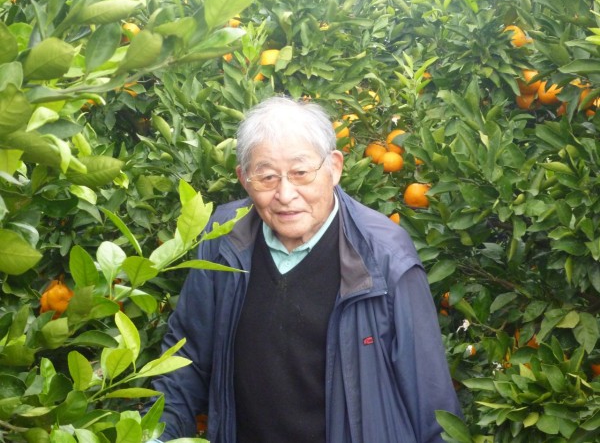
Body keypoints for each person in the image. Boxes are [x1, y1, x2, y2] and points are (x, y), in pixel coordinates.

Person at [149, 96, 462, 442]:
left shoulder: (385, 257)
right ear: (244, 178)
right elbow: (186, 359)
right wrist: (155, 434)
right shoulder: (223, 238)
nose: (285, 194)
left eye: (301, 173)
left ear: (334, 168)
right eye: (267, 177)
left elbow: (431, 401)